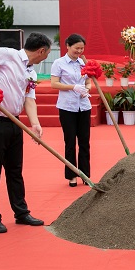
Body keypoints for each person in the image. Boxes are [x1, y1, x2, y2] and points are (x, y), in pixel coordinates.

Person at [0, 32, 52, 234]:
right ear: (41, 51)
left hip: (14, 123)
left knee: (15, 171)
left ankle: (21, 213)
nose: (46, 57)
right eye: (47, 53)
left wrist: (35, 124)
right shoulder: (8, 55)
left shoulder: (31, 72)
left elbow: (29, 99)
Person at [50, 34, 92, 187]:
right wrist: (72, 87)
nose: (79, 51)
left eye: (82, 48)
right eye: (76, 48)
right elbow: (54, 83)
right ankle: (72, 175)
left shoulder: (83, 63)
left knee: (84, 142)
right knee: (70, 142)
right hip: (67, 107)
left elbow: (88, 81)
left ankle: (85, 175)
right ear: (68, 46)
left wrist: (86, 89)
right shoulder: (59, 63)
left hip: (84, 106)